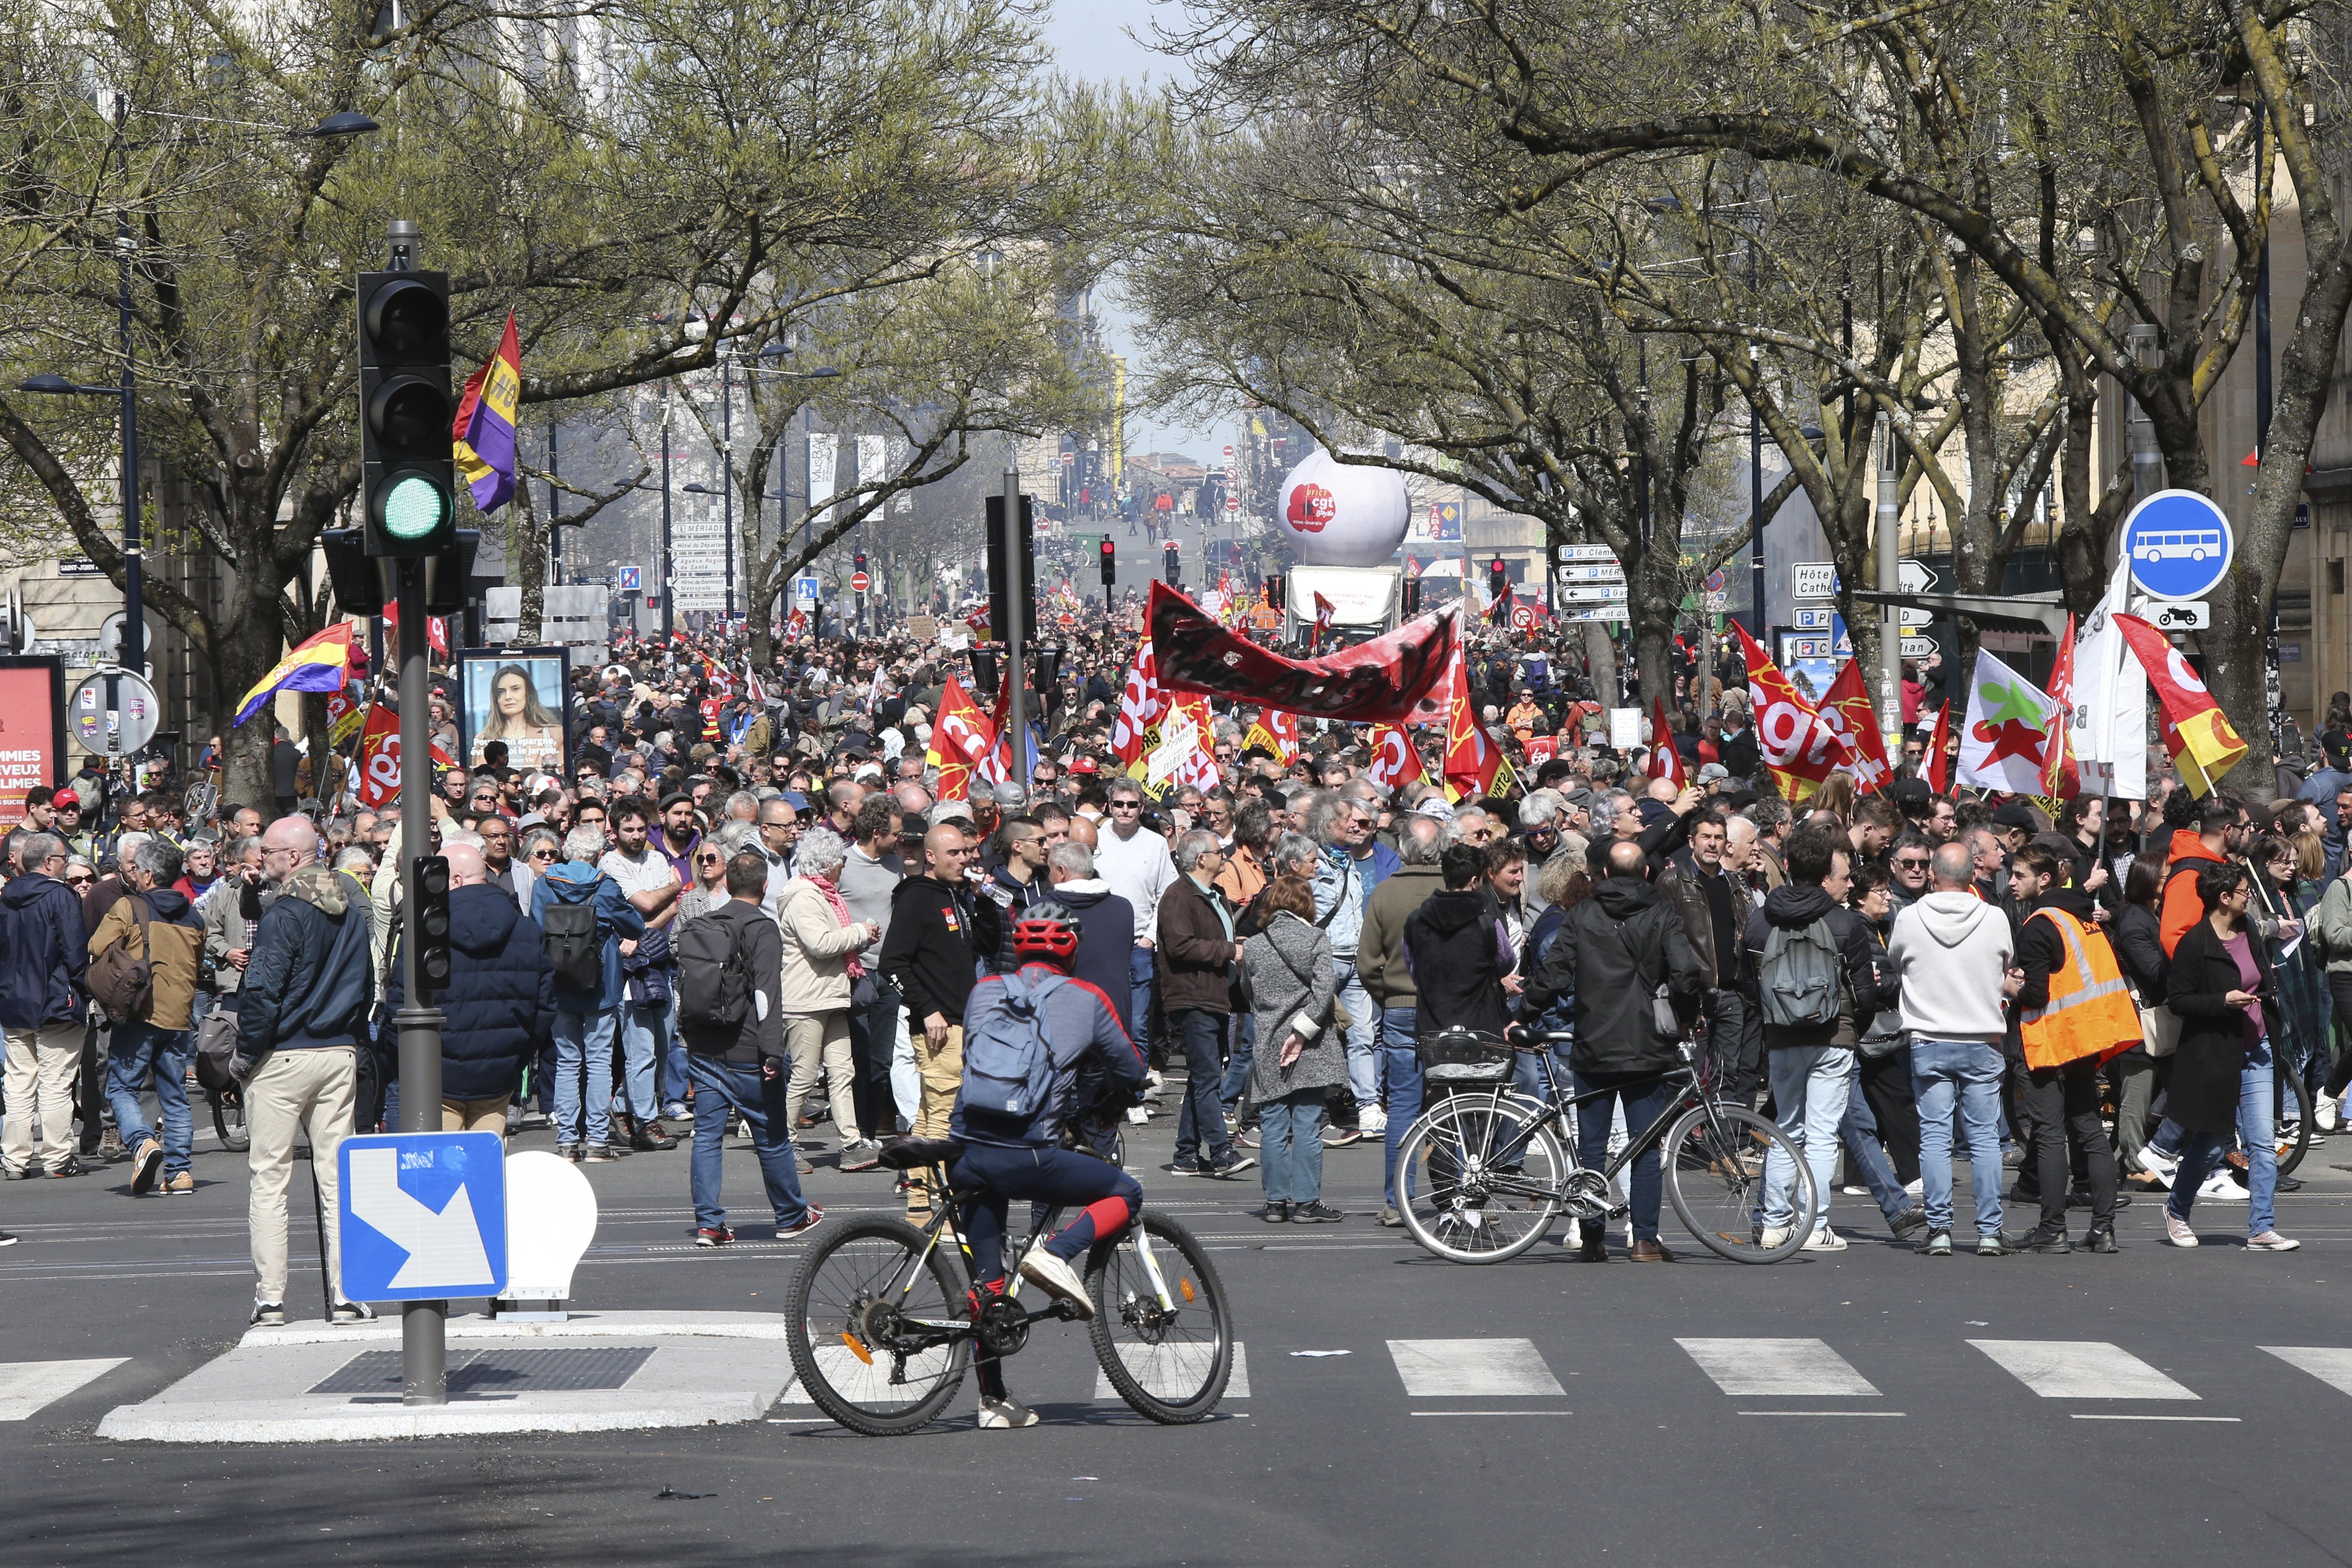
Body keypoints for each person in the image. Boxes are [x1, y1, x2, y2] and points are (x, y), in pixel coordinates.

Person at [942, 899, 1148, 1428]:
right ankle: (1055, 1254)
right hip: (1027, 1152)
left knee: (988, 1286)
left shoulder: (985, 990)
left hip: (965, 1148)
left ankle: (992, 1402)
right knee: (1124, 1192)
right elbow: (1130, 1065)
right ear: (1072, 947)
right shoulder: (1087, 998)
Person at [1518, 839, 1704, 1261]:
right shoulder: (1661, 912)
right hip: (1647, 1045)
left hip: (1594, 1041)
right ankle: (1644, 1239)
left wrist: (1523, 1013)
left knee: (1592, 1144)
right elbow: (1686, 971)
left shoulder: (1583, 913)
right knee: (1644, 1143)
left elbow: (1554, 974)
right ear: (1644, 873)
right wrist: (1686, 1014)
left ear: (1603, 873)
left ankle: (1592, 1237)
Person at [234, 817, 376, 1326]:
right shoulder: (352, 909)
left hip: (283, 1054)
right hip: (336, 1049)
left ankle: (271, 1298)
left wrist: (245, 1055)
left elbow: (262, 991)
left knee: (270, 1178)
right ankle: (349, 1294)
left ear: (293, 857)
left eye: (268, 850)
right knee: (339, 1178)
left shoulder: (286, 914)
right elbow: (366, 984)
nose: (259, 858)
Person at [1740, 824, 1882, 1251]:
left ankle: (1775, 1224)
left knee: (1788, 1128)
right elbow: (1865, 991)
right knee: (1822, 1134)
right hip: (1833, 1034)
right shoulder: (1844, 922)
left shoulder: (1760, 921)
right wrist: (1854, 1025)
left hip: (1781, 1035)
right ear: (1825, 872)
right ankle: (1814, 1225)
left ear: (1786, 866)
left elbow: (1747, 983)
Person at [675, 850, 824, 1248]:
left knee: (707, 1137)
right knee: (772, 1135)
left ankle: (709, 1224)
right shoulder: (763, 927)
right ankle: (792, 1215)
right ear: (764, 886)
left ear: (725, 884)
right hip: (747, 1052)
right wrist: (773, 1050)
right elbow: (767, 995)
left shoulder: (703, 922)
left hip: (704, 1048)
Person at [1886, 842, 2019, 1257]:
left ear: (1933, 873)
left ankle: (1940, 1229)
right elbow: (2006, 964)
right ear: (1970, 876)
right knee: (1984, 1140)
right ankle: (1990, 1231)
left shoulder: (1909, 917)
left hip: (1930, 1038)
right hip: (1981, 1038)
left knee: (1935, 1138)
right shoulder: (1994, 917)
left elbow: (1897, 962)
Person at [2163, 862, 2299, 1250]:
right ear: (2224, 898)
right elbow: (2180, 1001)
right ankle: (2176, 1210)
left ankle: (2261, 1227)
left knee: (2261, 1142)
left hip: (2256, 1048)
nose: (2249, 896)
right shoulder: (2195, 944)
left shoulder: (2249, 929)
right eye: (2244, 891)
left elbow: (2260, 973)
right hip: (2215, 1056)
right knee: (2209, 1145)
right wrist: (2223, 1001)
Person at [2008, 843, 2131, 1253]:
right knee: (2090, 1130)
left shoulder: (2040, 923)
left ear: (2044, 879)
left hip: (2051, 1041)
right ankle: (2103, 1228)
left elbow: (2037, 992)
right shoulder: (2082, 916)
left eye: (2019, 874)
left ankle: (2053, 1227)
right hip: (2085, 1038)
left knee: (2049, 1134)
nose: (2011, 881)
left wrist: (2010, 987)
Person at [382, 842, 551, 1132]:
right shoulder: (527, 930)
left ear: (455, 880)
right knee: (485, 1166)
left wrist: (407, 1063)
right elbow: (544, 1007)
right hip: (499, 1073)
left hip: (436, 1075)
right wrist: (516, 1060)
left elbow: (399, 1007)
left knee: (443, 1169)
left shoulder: (425, 933)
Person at [878, 820, 985, 1219]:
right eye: (954, 853)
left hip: (959, 1019)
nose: (965, 858)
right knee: (944, 1115)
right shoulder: (919, 898)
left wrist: (982, 900)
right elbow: (892, 962)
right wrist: (926, 1007)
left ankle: (920, 1203)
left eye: (966, 851)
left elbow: (983, 944)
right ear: (931, 856)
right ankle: (943, 1202)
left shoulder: (955, 894)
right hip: (940, 1025)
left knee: (927, 1115)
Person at [90, 838, 206, 1197]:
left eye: (137, 870)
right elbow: (198, 963)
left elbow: (96, 946)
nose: (135, 875)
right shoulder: (194, 915)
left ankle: (142, 1143)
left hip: (139, 1010)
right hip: (180, 1014)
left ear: (149, 874)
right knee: (175, 1095)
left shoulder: (130, 906)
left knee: (121, 1086)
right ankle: (181, 1172)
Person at [531, 824, 647, 1161]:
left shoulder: (545, 884)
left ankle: (567, 1141)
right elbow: (635, 926)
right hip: (600, 983)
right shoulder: (605, 885)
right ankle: (598, 1141)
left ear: (567, 852)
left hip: (559, 981)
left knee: (567, 1061)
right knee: (599, 1063)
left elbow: (536, 928)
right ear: (599, 855)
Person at [1241, 869, 1344, 1223]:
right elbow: (1324, 990)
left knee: (1272, 1122)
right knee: (1307, 1122)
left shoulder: (1254, 945)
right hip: (1312, 1042)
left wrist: (1275, 1021)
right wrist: (1301, 1032)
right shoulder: (1316, 938)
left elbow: (1247, 992)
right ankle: (1306, 1202)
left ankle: (1274, 1203)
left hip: (1270, 1039)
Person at [776, 828, 881, 1169]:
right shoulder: (805, 897)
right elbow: (820, 944)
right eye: (840, 862)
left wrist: (856, 935)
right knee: (805, 1075)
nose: (843, 868)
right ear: (826, 864)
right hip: (806, 999)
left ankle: (851, 1143)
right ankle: (785, 1143)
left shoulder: (824, 895)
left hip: (830, 995)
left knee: (842, 1072)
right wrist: (860, 933)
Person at [1158, 828, 1254, 1179]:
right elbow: (1180, 946)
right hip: (1193, 995)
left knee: (1203, 1077)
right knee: (1208, 1077)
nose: (1224, 857)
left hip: (1216, 995)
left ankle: (1186, 1154)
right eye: (1219, 852)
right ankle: (1221, 1151)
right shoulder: (1179, 896)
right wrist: (1230, 950)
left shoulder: (1214, 894)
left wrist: (1233, 942)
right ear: (1202, 859)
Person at [1, 832, 90, 1182]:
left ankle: (15, 1159)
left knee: (19, 1084)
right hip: (56, 1001)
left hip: (14, 1001)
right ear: (50, 862)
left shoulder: (7, 897)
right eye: (64, 859)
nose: (66, 864)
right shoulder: (60, 896)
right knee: (56, 1083)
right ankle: (56, 1157)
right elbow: (76, 952)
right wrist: (86, 990)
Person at [473, 661, 566, 773]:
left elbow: (562, 775)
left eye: (515, 689)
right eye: (501, 692)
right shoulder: (483, 739)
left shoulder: (554, 734)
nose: (508, 697)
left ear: (528, 694)